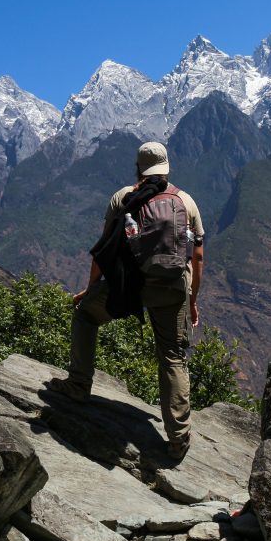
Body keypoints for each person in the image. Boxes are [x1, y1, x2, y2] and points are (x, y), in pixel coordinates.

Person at [46, 141, 204, 461]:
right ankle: (178, 439)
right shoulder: (185, 201)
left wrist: (89, 290)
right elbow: (198, 256)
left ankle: (78, 386)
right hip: (172, 288)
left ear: (138, 169)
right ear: (167, 167)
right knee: (172, 357)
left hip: (130, 286)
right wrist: (192, 300)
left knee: (85, 317)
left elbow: (103, 249)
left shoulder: (122, 198)